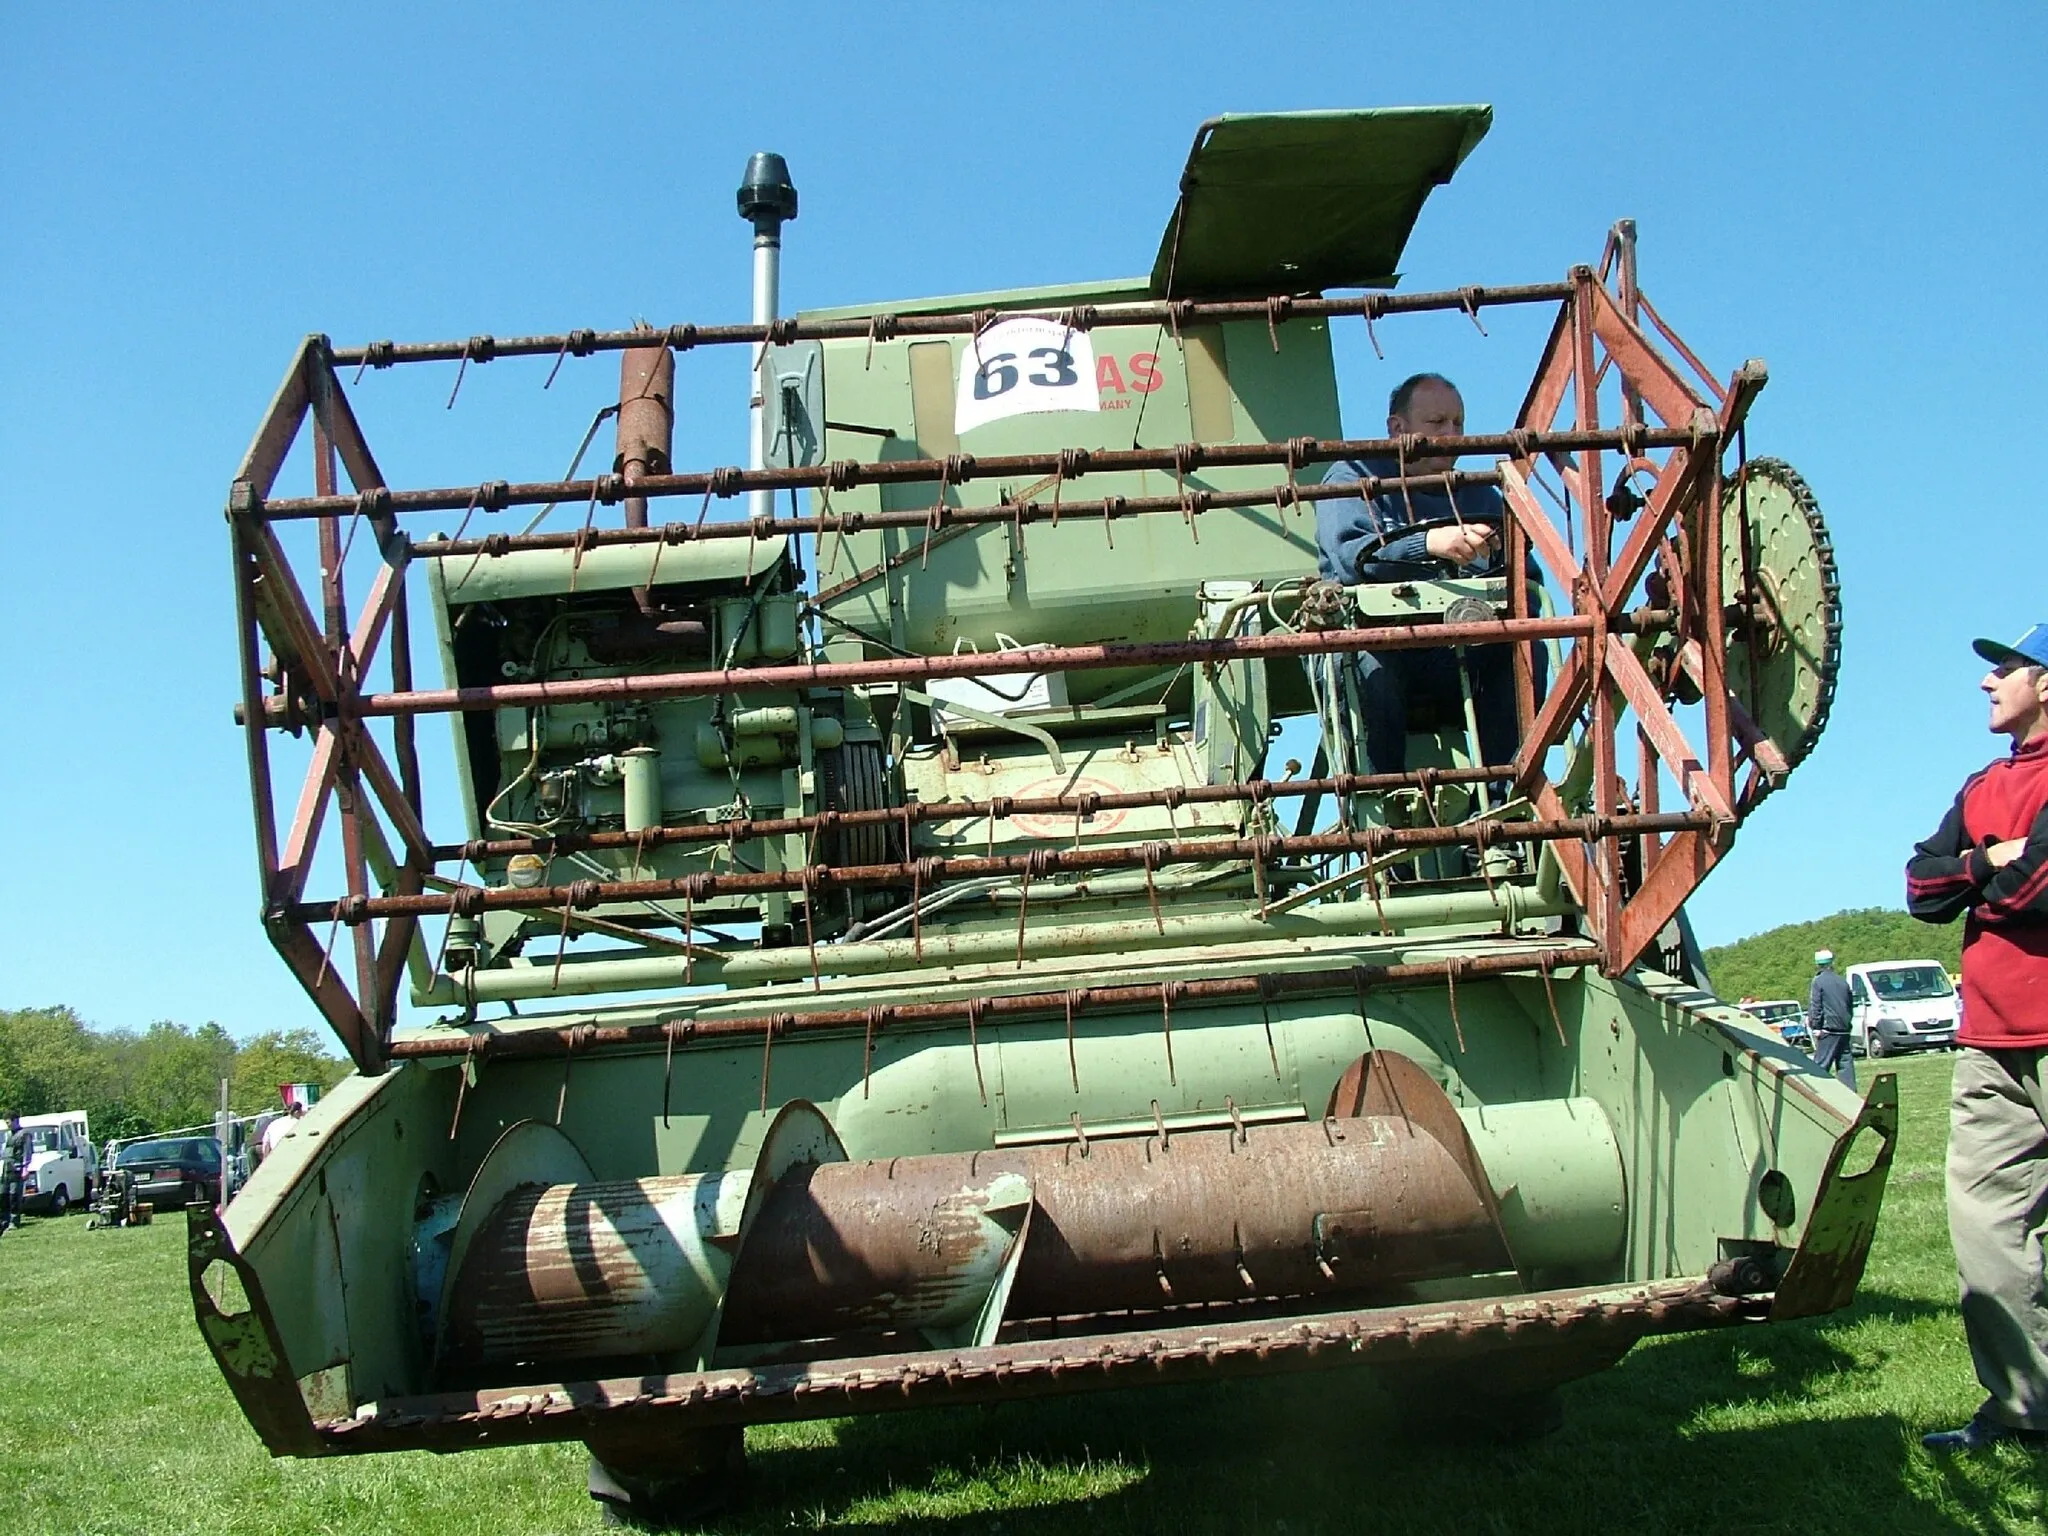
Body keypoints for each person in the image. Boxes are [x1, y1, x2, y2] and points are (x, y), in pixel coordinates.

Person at [1905, 623, 2048, 1452]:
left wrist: (1984, 874)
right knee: (1986, 1228)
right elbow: (1923, 887)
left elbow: (2040, 890)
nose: (1988, 684)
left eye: (2006, 670)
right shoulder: (1983, 784)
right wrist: (1998, 858)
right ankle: (2026, 1412)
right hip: (1989, 1038)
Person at [1316, 373, 1545, 775]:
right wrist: (1430, 543)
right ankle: (1382, 795)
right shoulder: (1352, 476)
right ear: (1396, 428)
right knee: (1370, 664)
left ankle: (1503, 792)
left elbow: (1528, 580)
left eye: (1458, 423)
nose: (1451, 434)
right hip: (1376, 644)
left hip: (1451, 650)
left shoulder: (1481, 495)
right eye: (1437, 423)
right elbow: (1352, 557)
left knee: (1526, 653)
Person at [1807, 950, 1855, 1087]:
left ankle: (1820, 1096)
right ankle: (1850, 1097)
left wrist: (1816, 1026)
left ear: (1817, 964)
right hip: (1844, 1029)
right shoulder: (1842, 981)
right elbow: (1849, 1004)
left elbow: (1816, 1005)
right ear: (1832, 962)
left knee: (1820, 1067)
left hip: (1829, 1029)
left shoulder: (1818, 981)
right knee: (1846, 1066)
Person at [0, 1113, 25, 1232]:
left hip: (17, 1169)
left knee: (14, 1196)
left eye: (8, 1122)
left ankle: (14, 1221)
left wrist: (25, 1168)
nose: (7, 1125)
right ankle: (3, 1221)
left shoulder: (24, 1134)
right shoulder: (8, 1135)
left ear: (15, 1121)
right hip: (6, 1169)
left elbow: (27, 1152)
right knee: (3, 1195)